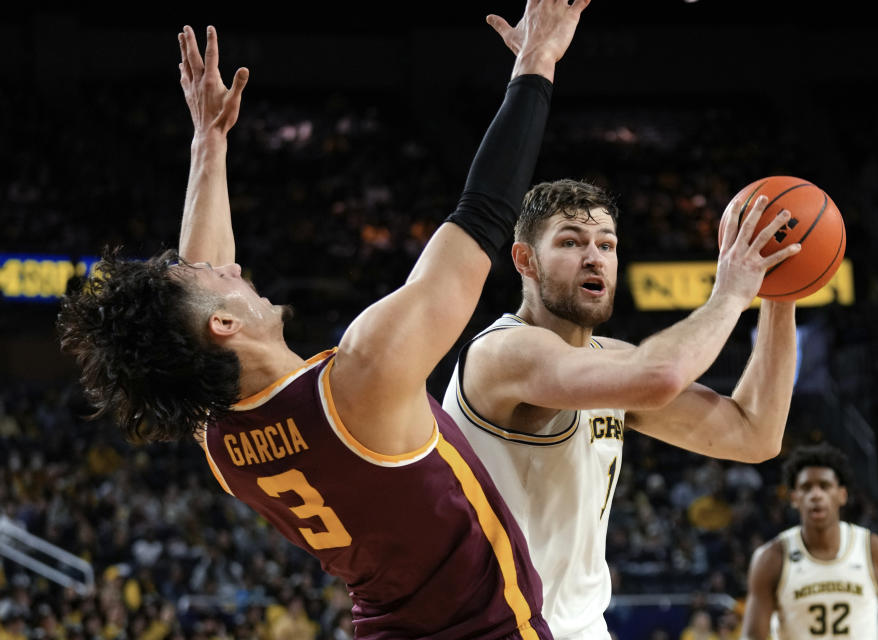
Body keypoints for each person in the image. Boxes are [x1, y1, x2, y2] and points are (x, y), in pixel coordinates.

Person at [56, 1, 592, 637]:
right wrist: (536, 64)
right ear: (224, 326)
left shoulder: (220, 439)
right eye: (216, 276)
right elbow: (482, 216)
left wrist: (210, 143)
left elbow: (196, 302)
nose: (231, 268)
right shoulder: (363, 377)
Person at [442, 178, 802, 638]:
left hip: (583, 628)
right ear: (525, 260)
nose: (594, 257)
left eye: (606, 245)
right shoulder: (503, 354)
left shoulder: (607, 360)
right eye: (571, 242)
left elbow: (755, 434)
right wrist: (731, 292)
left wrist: (781, 291)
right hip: (497, 630)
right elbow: (661, 376)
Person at [740, 442, 878, 640]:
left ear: (841, 495)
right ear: (794, 498)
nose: (816, 495)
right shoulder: (770, 558)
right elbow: (753, 635)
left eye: (825, 486)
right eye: (806, 488)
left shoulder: (876, 551)